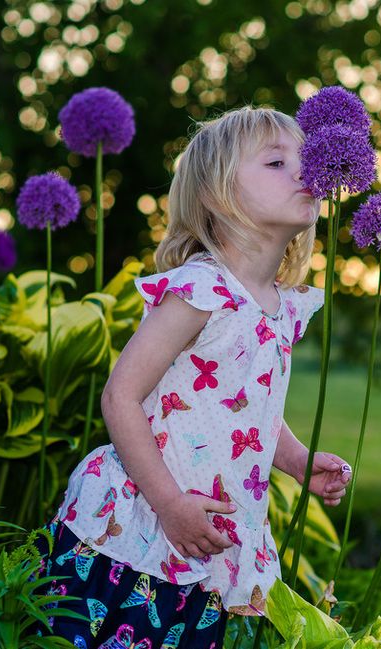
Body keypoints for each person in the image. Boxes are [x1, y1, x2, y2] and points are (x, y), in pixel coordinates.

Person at [34, 106, 352, 648]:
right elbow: (120, 398)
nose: (307, 171)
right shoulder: (200, 291)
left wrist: (298, 460)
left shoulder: (281, 307)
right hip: (138, 532)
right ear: (215, 194)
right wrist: (169, 505)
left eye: (306, 158)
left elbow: (246, 411)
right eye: (277, 162)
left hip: (208, 541)